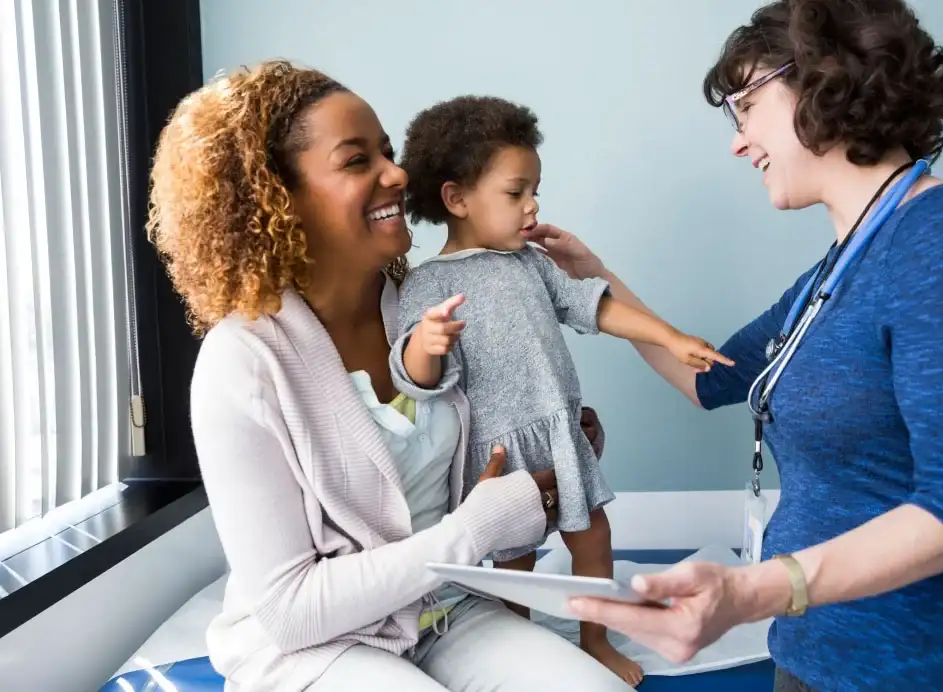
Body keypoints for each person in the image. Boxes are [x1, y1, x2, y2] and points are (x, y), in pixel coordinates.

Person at [526, 1, 943, 690]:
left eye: (746, 105)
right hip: (811, 652)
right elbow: (706, 379)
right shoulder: (829, 277)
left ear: (824, 77)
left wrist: (754, 590)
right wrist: (596, 278)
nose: (738, 141)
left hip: (929, 664)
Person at [145, 59, 635, 692]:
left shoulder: (425, 310)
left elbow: (484, 453)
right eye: (356, 161)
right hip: (315, 645)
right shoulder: (241, 362)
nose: (398, 174)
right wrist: (476, 528)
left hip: (442, 610)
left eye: (386, 151)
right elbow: (293, 609)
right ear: (277, 198)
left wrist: (553, 452)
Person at [389, 95, 733, 686]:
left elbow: (595, 306)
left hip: (558, 431)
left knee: (593, 537)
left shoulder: (533, 264)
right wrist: (426, 344)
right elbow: (412, 378)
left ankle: (596, 641)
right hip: (500, 456)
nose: (534, 205)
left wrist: (670, 337)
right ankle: (514, 651)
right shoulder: (428, 284)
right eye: (516, 192)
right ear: (457, 198)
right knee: (513, 566)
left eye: (535, 190)